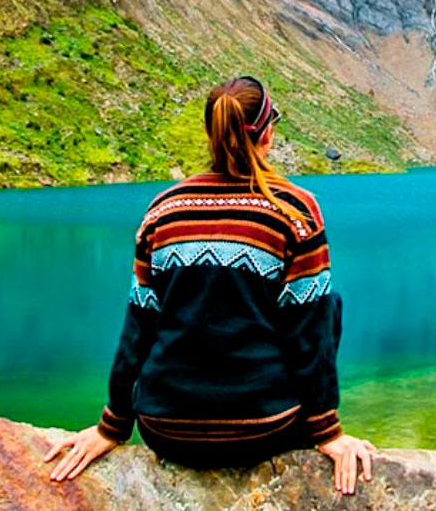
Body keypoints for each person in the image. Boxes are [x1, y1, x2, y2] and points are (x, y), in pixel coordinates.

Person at [43, 75, 379, 494]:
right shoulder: (294, 209)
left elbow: (139, 325)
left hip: (163, 427)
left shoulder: (164, 209)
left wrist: (112, 426)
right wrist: (328, 432)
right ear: (268, 133)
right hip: (262, 429)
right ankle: (315, 425)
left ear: (209, 133)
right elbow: (308, 332)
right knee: (325, 303)